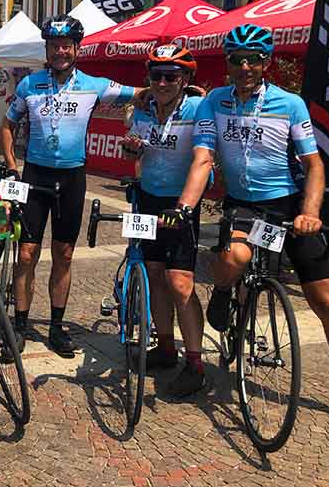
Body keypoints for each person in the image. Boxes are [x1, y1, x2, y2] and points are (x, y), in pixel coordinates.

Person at [176, 23, 329, 439]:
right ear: (228, 64)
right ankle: (223, 291)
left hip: (289, 207)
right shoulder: (214, 103)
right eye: (236, 60)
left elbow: (314, 166)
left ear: (266, 62)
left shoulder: (289, 104)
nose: (244, 67)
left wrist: (310, 212)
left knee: (326, 299)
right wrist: (186, 207)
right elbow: (203, 158)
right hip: (243, 206)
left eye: (253, 59)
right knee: (234, 258)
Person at [0, 14, 138, 356]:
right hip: (34, 176)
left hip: (72, 178)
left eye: (66, 46)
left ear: (76, 48)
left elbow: (143, 93)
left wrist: (189, 92)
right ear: (46, 49)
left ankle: (57, 327)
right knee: (27, 254)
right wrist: (13, 167)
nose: (60, 51)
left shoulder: (94, 84)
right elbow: (7, 124)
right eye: (54, 46)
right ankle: (19, 325)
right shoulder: (29, 85)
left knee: (64, 254)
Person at [122, 44, 206, 396]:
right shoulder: (141, 112)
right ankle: (167, 347)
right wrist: (133, 153)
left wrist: (185, 206)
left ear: (185, 78)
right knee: (154, 273)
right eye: (156, 75)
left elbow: (205, 156)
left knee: (180, 281)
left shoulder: (199, 107)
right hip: (148, 198)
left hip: (181, 202)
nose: (163, 82)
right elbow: (137, 155)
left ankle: (196, 362)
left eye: (171, 75)